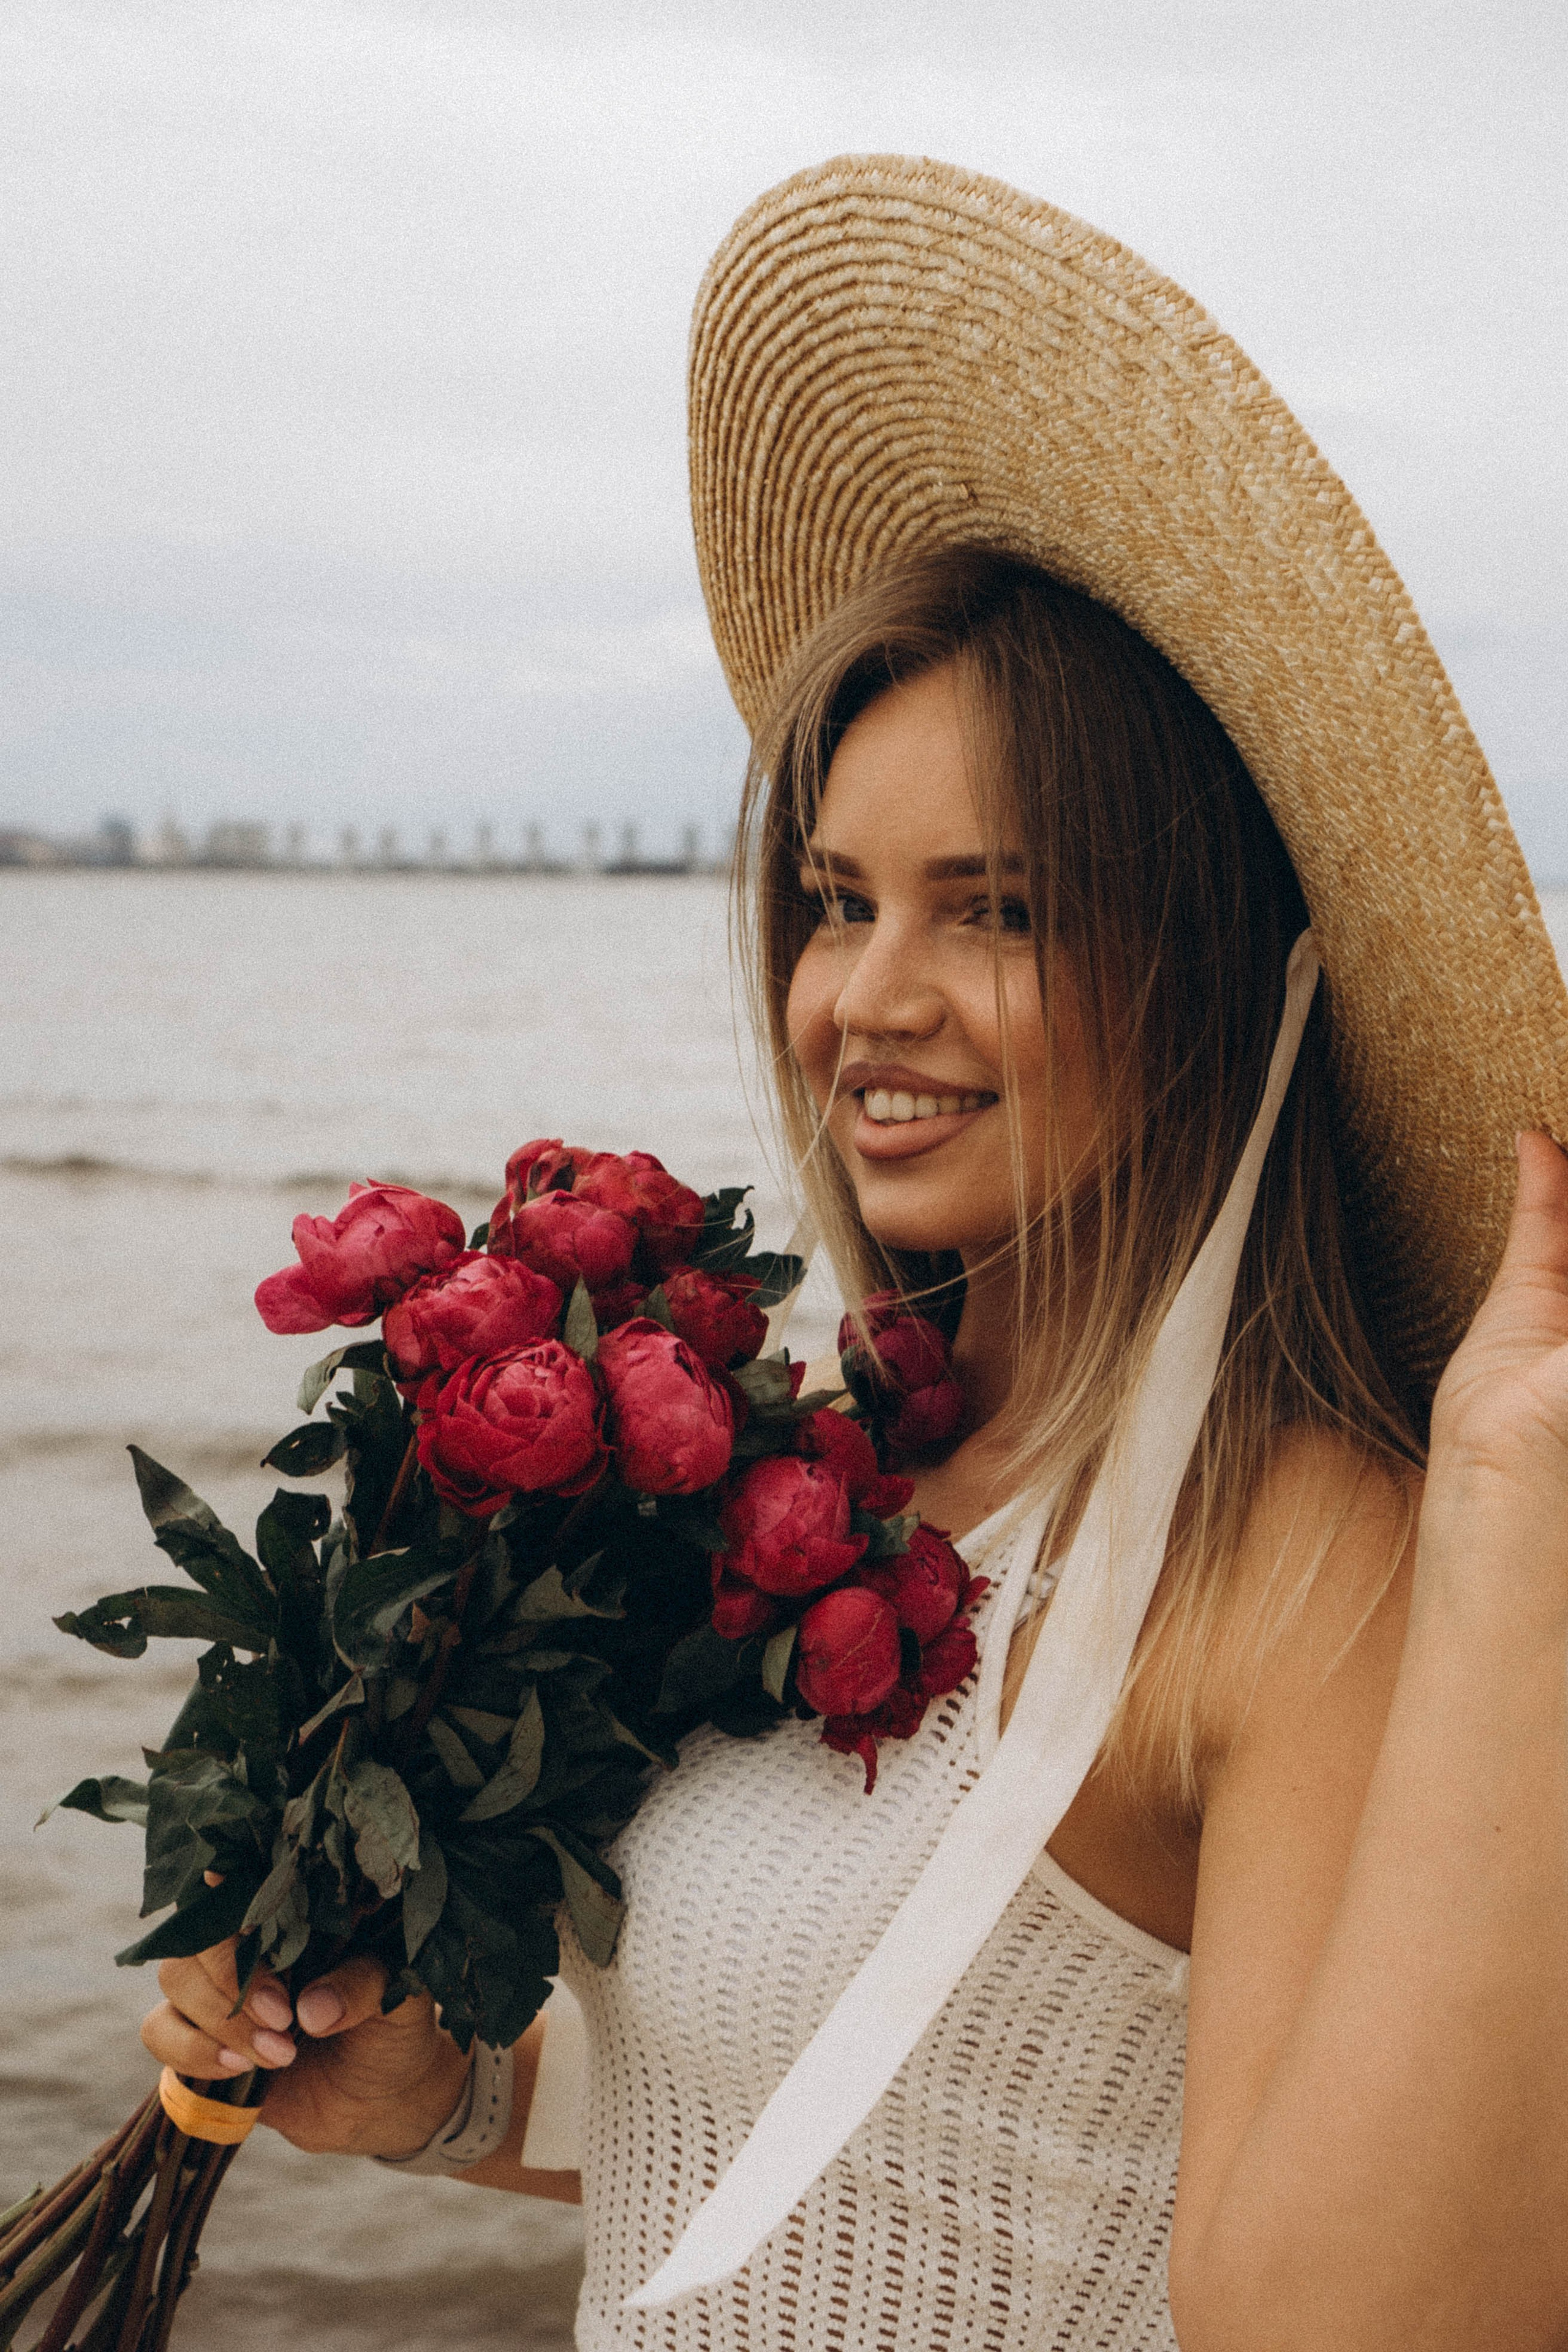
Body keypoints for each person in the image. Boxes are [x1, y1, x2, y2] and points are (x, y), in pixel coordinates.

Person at [140, 158, 1568, 2350]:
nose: (865, 1000)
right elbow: (842, 2093)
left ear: (1191, 972)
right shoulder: (820, 1475)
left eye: (991, 909)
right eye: (836, 897)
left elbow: (1347, 2315)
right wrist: (441, 2099)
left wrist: (1505, 1520)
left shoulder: (1296, 1558)